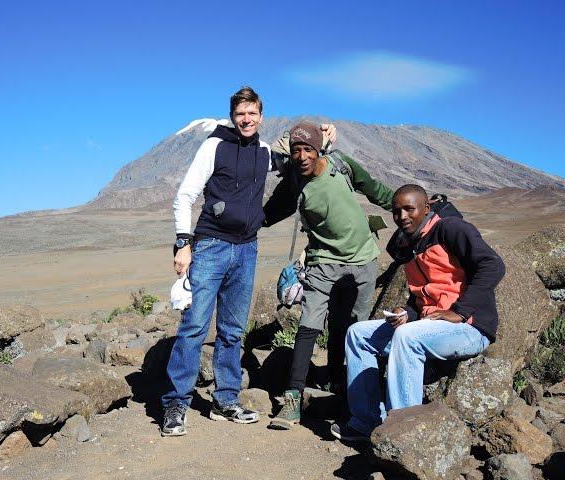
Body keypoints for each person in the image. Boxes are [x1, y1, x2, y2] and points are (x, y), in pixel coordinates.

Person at [161, 87, 336, 437]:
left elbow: (302, 161)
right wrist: (183, 243)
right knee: (194, 325)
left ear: (261, 116)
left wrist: (325, 139)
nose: (246, 119)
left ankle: (225, 400)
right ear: (232, 115)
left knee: (232, 330)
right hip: (210, 246)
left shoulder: (264, 152)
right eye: (241, 113)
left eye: (252, 113)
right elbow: (185, 195)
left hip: (246, 250)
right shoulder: (214, 145)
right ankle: (175, 404)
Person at [331, 184, 505, 442]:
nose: (402, 216)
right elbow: (422, 296)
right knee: (358, 334)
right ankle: (366, 421)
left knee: (407, 337)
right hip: (430, 327)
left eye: (409, 209)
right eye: (396, 211)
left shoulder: (450, 229)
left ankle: (403, 431)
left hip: (470, 328)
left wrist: (459, 311)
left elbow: (493, 265)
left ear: (426, 208)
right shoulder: (410, 244)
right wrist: (408, 313)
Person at [263, 122, 394, 430]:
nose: (302, 156)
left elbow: (376, 191)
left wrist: (419, 210)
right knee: (309, 324)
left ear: (319, 149)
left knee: (349, 327)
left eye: (308, 149)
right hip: (322, 262)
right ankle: (293, 397)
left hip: (363, 260)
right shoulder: (293, 182)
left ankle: (342, 388)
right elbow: (266, 215)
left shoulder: (341, 164)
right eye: (296, 151)